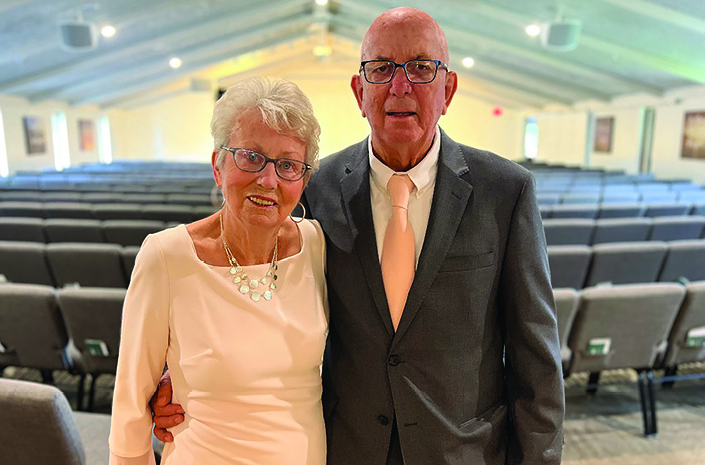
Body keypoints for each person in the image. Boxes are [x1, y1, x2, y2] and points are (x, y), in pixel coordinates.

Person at [152, 7, 565, 464]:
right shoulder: (316, 188)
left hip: (463, 451)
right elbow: (259, 295)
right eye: (382, 68)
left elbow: (536, 359)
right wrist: (190, 374)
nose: (400, 86)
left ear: (447, 90)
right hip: (345, 448)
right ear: (359, 91)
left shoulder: (505, 191)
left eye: (421, 68)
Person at [109, 77, 328, 465]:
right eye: (251, 156)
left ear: (304, 179)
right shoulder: (167, 256)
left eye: (288, 165)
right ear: (218, 165)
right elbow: (130, 408)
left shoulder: (317, 246)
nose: (268, 179)